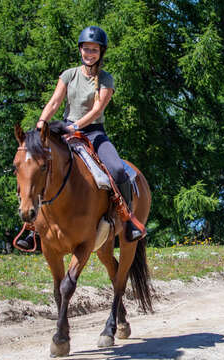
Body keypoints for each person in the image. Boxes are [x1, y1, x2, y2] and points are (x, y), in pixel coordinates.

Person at [16, 26, 144, 250]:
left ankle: (127, 218)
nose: (89, 54)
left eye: (94, 50)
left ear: (101, 52)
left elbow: (97, 109)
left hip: (93, 132)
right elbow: (55, 102)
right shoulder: (69, 74)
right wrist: (40, 124)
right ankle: (32, 227)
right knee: (35, 166)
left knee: (117, 170)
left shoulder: (106, 79)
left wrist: (76, 126)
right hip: (64, 129)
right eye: (86, 49)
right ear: (80, 50)